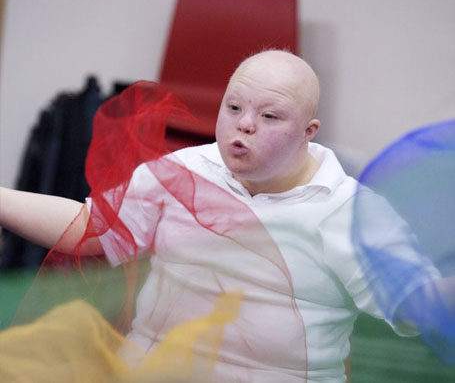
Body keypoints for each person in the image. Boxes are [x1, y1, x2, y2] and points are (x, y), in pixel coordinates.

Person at [0, 50, 450, 382]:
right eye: (233, 107)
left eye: (270, 116)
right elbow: (91, 229)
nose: (244, 125)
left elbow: (418, 299)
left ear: (309, 132)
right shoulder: (183, 171)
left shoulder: (352, 210)